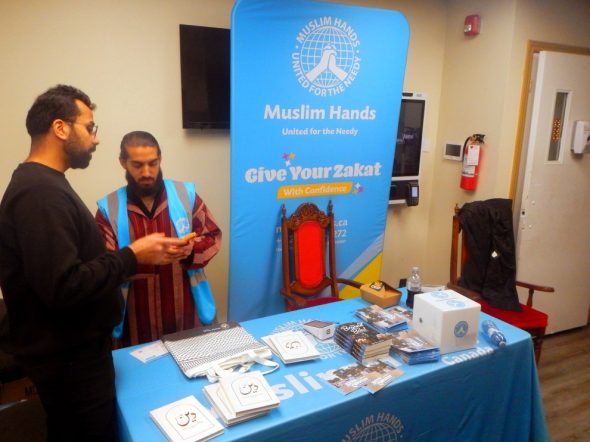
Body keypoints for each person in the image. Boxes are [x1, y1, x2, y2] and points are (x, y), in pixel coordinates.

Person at [0, 85, 194, 441]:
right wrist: (133, 255)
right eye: (90, 127)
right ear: (61, 128)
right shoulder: (39, 193)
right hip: (70, 362)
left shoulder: (46, 185)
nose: (96, 138)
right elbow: (64, 285)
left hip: (77, 356)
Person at [95, 131, 222, 348]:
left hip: (186, 312)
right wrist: (138, 256)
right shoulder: (109, 209)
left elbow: (213, 236)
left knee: (193, 364)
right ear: (123, 162)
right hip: (133, 320)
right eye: (137, 165)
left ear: (160, 159)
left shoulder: (186, 195)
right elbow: (102, 267)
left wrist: (190, 250)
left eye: (152, 163)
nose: (147, 172)